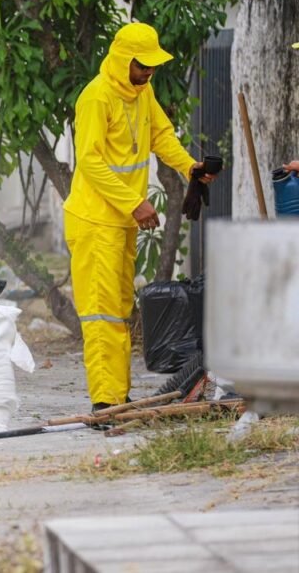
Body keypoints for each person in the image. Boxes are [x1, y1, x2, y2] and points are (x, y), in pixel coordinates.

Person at [63, 22, 216, 414]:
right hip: (95, 222)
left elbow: (161, 136)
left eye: (151, 66)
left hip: (120, 222)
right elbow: (91, 162)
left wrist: (191, 168)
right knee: (100, 314)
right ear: (121, 59)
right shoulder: (96, 98)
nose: (148, 72)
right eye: (141, 65)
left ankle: (117, 398)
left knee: (118, 312)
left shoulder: (141, 93)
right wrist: (134, 202)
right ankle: (104, 401)